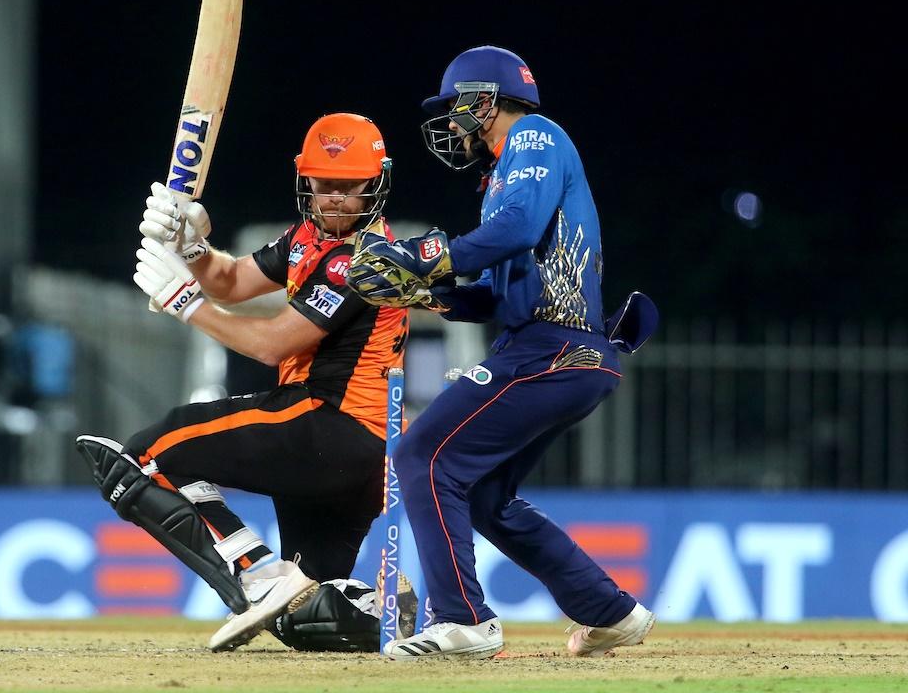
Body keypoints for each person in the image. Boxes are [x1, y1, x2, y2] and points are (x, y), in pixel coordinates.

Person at [346, 46, 658, 660]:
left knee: (421, 454)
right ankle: (609, 612)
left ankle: (463, 620)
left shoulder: (535, 136)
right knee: (484, 494)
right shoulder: (504, 176)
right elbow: (501, 290)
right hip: (565, 351)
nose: (448, 123)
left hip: (549, 347)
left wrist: (425, 255)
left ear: (482, 100)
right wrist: (433, 295)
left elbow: (513, 230)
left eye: (453, 107)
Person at [75, 113, 408, 653]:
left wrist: (184, 303)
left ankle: (257, 572)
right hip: (362, 456)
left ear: (376, 184)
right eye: (326, 185)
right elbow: (230, 281)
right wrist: (192, 248)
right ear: (307, 181)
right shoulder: (307, 239)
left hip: (328, 424)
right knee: (307, 617)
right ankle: (374, 611)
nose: (337, 199)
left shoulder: (363, 260)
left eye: (351, 187)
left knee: (145, 456)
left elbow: (273, 343)